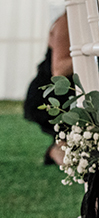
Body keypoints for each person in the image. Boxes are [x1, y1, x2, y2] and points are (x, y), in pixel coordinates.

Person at [23, 13, 71, 165]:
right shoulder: (65, 22)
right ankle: (57, 148)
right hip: (49, 93)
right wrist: (94, 54)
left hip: (65, 90)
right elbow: (59, 70)